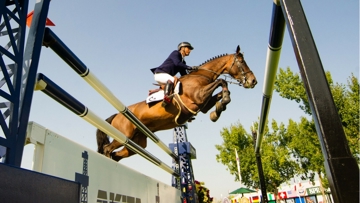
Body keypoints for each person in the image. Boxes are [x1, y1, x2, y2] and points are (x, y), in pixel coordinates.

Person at [151, 42, 198, 106]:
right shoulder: (175, 53)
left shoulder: (183, 62)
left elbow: (184, 74)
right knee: (173, 80)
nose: (190, 50)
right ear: (182, 48)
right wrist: (189, 67)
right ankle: (166, 97)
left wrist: (194, 76)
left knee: (181, 83)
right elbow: (177, 63)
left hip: (166, 76)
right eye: (188, 48)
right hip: (160, 74)